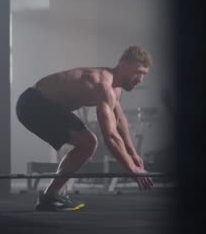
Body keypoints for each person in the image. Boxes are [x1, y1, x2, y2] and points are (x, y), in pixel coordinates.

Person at [16, 46, 154, 211]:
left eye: (144, 75)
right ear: (123, 65)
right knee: (88, 142)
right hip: (32, 104)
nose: (140, 79)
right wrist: (132, 169)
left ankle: (51, 196)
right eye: (137, 72)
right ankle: (50, 196)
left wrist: (133, 153)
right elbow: (110, 136)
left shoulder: (115, 89)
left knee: (87, 143)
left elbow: (119, 120)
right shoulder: (103, 85)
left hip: (44, 105)